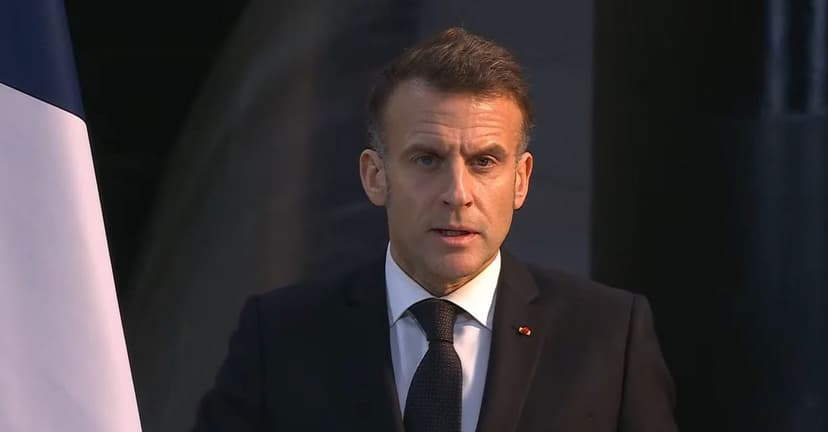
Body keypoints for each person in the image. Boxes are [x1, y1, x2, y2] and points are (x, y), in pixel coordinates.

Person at [192, 27, 678, 432]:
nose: (457, 193)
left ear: (520, 180)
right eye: (427, 159)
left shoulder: (609, 337)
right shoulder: (280, 338)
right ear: (375, 176)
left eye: (484, 162)